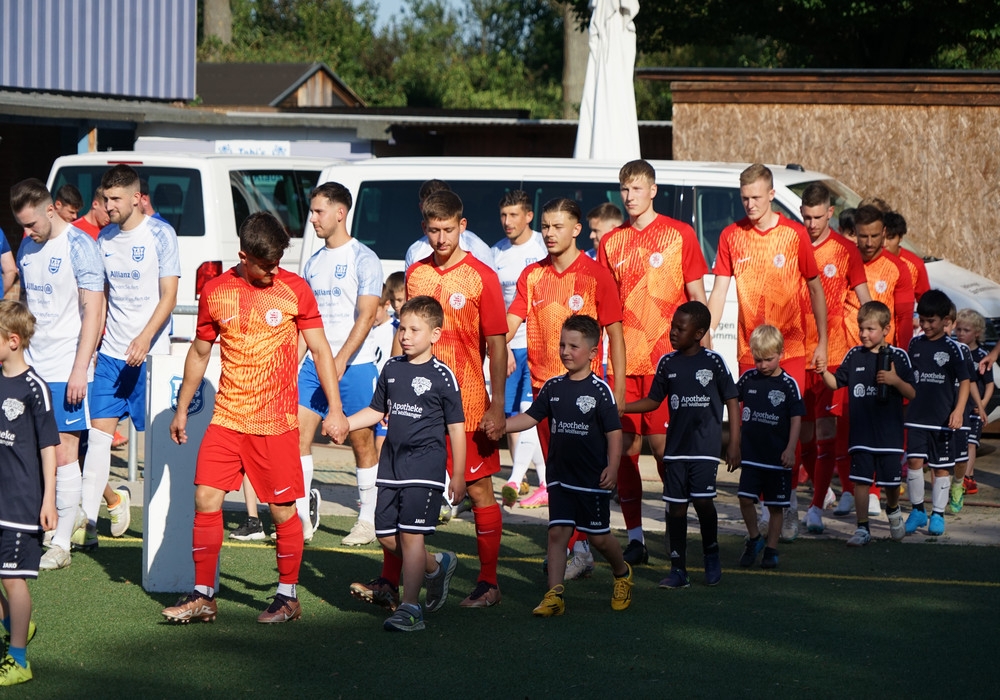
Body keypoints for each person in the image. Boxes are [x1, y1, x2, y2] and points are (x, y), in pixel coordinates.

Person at [162, 212, 349, 624]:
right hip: (227, 418)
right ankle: (204, 596)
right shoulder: (216, 290)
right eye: (266, 264)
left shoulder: (295, 289)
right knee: (205, 499)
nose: (274, 270)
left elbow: (320, 350)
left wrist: (335, 410)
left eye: (278, 262)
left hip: (275, 423)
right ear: (244, 257)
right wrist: (182, 408)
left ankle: (288, 597)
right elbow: (199, 352)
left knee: (282, 512)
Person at [354, 190, 507, 609]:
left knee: (478, 490)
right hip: (415, 405)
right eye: (434, 230)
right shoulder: (416, 273)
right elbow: (404, 329)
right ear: (424, 228)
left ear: (462, 226)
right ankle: (390, 581)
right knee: (400, 492)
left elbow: (497, 343)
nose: (441, 238)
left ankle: (489, 583)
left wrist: (497, 404)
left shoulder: (482, 276)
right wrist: (392, 382)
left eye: (448, 229)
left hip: (468, 402)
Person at [505, 198, 625, 579]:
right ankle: (576, 548)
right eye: (545, 226)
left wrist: (619, 390)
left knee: (583, 475)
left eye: (557, 226)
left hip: (585, 397)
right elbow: (510, 322)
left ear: (576, 229)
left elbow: (616, 336)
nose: (549, 233)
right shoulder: (532, 275)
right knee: (557, 475)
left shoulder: (596, 275)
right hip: (546, 394)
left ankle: (584, 546)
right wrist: (493, 344)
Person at [707, 164, 826, 541]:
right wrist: (706, 335)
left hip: (791, 350)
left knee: (787, 428)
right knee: (755, 430)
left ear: (772, 195)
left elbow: (815, 287)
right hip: (750, 351)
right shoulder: (731, 235)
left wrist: (822, 341)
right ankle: (763, 509)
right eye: (744, 198)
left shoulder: (794, 234)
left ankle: (787, 505)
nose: (750, 204)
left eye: (756, 197)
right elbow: (719, 291)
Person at [599, 159, 709, 567]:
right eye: (624, 189)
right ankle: (635, 537)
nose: (629, 196)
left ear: (653, 190)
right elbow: (605, 305)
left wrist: (703, 355)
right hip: (625, 362)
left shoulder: (680, 234)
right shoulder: (611, 242)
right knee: (626, 448)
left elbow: (696, 298)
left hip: (669, 362)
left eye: (636, 189)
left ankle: (677, 527)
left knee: (665, 450)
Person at [343, 296, 466, 631]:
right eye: (402, 329)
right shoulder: (392, 368)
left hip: (425, 468)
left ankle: (411, 608)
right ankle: (435, 567)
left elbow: (456, 428)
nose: (406, 336)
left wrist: (457, 475)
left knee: (411, 537)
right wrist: (345, 423)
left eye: (414, 330)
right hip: (391, 468)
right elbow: (376, 411)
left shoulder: (443, 376)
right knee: (386, 535)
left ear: (435, 334)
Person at [504, 315, 633, 616]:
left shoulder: (600, 390)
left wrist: (613, 467)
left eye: (574, 346)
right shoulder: (553, 387)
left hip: (591, 479)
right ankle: (554, 595)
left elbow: (614, 432)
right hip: (560, 477)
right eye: (562, 344)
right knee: (557, 534)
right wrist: (501, 426)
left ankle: (622, 573)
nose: (565, 351)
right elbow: (531, 417)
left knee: (599, 538)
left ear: (593, 353)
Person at [80, 165, 180, 549]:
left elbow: (169, 296)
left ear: (137, 198)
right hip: (111, 356)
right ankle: (88, 524)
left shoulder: (161, 234)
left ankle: (165, 529)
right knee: (97, 439)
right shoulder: (103, 238)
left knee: (158, 447)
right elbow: (102, 299)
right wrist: (91, 348)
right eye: (105, 199)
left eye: (116, 199)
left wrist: (145, 337)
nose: (108, 206)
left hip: (151, 357)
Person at [10, 179, 106, 570]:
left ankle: (62, 544)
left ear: (51, 210)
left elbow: (94, 310)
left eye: (32, 223)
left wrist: (81, 368)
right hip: (32, 365)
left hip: (68, 365)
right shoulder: (27, 248)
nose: (27, 231)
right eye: (22, 225)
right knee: (33, 449)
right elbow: (25, 302)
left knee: (65, 450)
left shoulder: (80, 246)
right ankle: (55, 522)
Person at [624, 301, 740, 589]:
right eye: (672, 326)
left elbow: (732, 400)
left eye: (680, 328)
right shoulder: (667, 363)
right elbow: (653, 401)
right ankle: (678, 570)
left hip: (705, 448)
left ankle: (711, 553)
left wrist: (735, 443)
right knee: (675, 509)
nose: (673, 332)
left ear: (699, 333)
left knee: (702, 502)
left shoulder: (713, 362)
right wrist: (623, 407)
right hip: (675, 450)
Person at [299, 182, 383, 546]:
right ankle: (301, 518)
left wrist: (340, 360)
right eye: (312, 211)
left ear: (340, 212)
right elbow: (304, 323)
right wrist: (295, 362)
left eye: (319, 211)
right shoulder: (312, 263)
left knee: (361, 443)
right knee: (297, 438)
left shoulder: (364, 258)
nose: (313, 218)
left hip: (355, 365)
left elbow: (367, 316)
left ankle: (367, 520)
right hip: (314, 366)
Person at [797, 183, 871, 536]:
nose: (811, 224)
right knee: (803, 436)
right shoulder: (793, 243)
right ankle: (820, 491)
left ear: (830, 213)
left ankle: (814, 509)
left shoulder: (845, 251)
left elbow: (865, 298)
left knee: (826, 432)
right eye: (806, 217)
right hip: (795, 353)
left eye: (817, 217)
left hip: (832, 355)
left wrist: (875, 339)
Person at [838, 205, 915, 519]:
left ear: (885, 233)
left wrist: (901, 364)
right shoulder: (843, 261)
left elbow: (904, 319)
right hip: (846, 357)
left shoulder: (898, 268)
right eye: (862, 236)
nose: (868, 242)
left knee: (879, 428)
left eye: (874, 236)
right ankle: (849, 488)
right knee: (844, 427)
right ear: (854, 233)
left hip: (882, 363)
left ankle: (875, 492)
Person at [821, 301, 915, 546]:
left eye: (870, 329)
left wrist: (894, 380)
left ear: (886, 330)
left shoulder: (898, 356)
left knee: (891, 482)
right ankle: (862, 528)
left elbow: (913, 393)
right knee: (861, 481)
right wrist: (822, 372)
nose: (863, 334)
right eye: (861, 328)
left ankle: (893, 509)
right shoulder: (854, 355)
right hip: (861, 433)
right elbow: (835, 383)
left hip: (889, 434)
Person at [0, 300, 58, 685]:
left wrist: (49, 498)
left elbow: (49, 446)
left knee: (12, 578)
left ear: (13, 341)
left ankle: (18, 659)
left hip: (21, 501)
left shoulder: (35, 389)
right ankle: (15, 625)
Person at [490, 190, 547, 507]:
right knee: (512, 413)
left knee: (531, 412)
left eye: (513, 215)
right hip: (510, 344)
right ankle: (521, 477)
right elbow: (495, 304)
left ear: (528, 216)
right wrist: (505, 345)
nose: (507, 221)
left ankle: (532, 479)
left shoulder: (542, 246)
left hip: (538, 344)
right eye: (503, 215)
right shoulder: (495, 253)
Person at [734, 325, 804, 569]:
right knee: (745, 499)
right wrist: (735, 442)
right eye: (758, 360)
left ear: (781, 353)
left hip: (777, 457)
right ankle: (755, 539)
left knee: (775, 506)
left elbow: (796, 418)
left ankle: (771, 549)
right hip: (751, 455)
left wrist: (791, 448)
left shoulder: (788, 384)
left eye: (768, 359)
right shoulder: (748, 379)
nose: (762, 365)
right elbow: (731, 400)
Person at [903, 289, 969, 538]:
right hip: (917, 416)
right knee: (914, 462)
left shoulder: (954, 349)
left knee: (941, 468)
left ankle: (938, 514)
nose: (926, 325)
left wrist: (959, 411)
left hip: (942, 419)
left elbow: (965, 381)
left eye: (931, 321)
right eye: (922, 320)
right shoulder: (915, 344)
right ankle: (918, 510)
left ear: (945, 321)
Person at [403, 180, 493, 269]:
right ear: (421, 207)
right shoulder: (415, 252)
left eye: (448, 230)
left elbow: (489, 276)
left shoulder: (476, 247)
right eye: (429, 206)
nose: (441, 240)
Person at [953, 309, 991, 496]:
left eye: (966, 330)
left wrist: (982, 403)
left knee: (971, 442)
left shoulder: (982, 354)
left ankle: (967, 478)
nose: (961, 333)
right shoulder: (955, 350)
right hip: (958, 405)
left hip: (974, 408)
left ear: (977, 332)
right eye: (958, 329)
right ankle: (964, 476)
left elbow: (989, 384)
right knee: (958, 441)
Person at [883, 211, 930, 303]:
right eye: (881, 238)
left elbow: (925, 301)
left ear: (900, 238)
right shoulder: (866, 260)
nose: (884, 244)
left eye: (890, 238)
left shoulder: (916, 265)